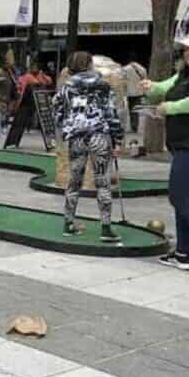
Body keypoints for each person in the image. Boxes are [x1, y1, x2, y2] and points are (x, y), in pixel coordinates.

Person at [53, 51, 123, 243]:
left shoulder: (67, 87)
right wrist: (118, 137)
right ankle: (106, 227)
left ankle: (68, 223)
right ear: (90, 65)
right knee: (103, 181)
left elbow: (57, 108)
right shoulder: (103, 86)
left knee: (74, 180)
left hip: (77, 137)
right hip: (99, 135)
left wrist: (66, 126)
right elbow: (111, 113)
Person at [142, 36, 189, 269]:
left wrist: (169, 107)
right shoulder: (183, 74)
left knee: (180, 197)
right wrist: (151, 87)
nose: (188, 53)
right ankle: (183, 253)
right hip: (181, 144)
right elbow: (164, 88)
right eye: (187, 49)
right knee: (182, 199)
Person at [123, 52, 148, 133]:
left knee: (130, 109)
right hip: (139, 93)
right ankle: (135, 126)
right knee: (136, 110)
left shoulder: (125, 69)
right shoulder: (142, 69)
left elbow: (123, 81)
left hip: (130, 93)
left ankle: (132, 126)